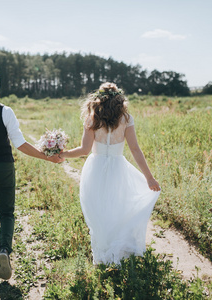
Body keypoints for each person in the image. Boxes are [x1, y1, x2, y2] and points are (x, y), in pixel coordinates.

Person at [0, 71, 63, 280]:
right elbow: (20, 144)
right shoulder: (6, 111)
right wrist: (47, 157)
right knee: (6, 212)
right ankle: (4, 250)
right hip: (3, 167)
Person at [59, 82, 161, 265]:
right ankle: (117, 251)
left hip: (95, 168)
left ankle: (104, 253)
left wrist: (64, 154)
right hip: (118, 168)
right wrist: (149, 178)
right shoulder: (126, 119)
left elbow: (84, 150)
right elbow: (135, 149)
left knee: (98, 210)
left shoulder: (92, 119)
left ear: (98, 98)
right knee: (117, 208)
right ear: (119, 99)